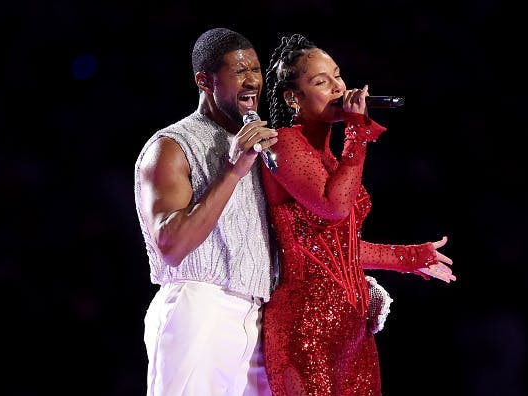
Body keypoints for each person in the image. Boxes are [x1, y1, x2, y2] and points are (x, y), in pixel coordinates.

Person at [259, 33, 456, 395]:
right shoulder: (283, 142)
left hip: (352, 330)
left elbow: (339, 246)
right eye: (321, 82)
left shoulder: (333, 159)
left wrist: (409, 257)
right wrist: (357, 132)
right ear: (293, 97)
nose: (338, 87)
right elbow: (333, 208)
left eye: (337, 75)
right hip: (307, 327)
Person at [133, 27, 279, 396]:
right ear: (205, 80)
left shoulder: (261, 143)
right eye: (239, 71)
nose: (253, 81)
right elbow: (172, 244)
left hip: (261, 315)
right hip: (200, 307)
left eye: (256, 70)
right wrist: (233, 172)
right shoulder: (171, 146)